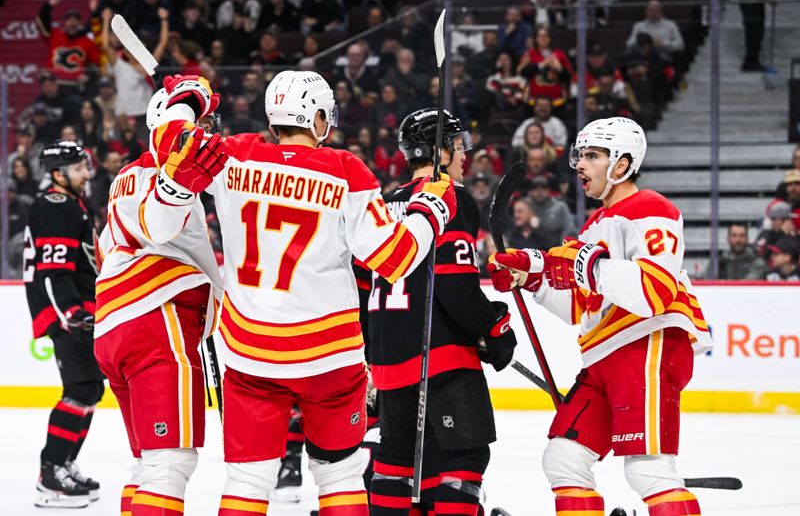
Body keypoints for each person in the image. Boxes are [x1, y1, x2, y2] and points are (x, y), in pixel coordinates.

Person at [146, 71, 457, 515]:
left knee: (248, 480)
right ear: (315, 118)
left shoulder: (234, 156)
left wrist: (185, 99)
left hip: (251, 353)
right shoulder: (345, 169)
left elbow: (171, 145)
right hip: (329, 357)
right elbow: (396, 258)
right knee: (341, 475)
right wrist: (432, 209)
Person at [488, 117, 711, 516]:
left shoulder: (651, 209)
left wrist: (585, 267)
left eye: (592, 156)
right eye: (580, 155)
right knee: (564, 459)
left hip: (647, 344)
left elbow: (655, 292)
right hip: (603, 359)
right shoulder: (594, 226)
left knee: (649, 471)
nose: (580, 165)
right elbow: (579, 305)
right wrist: (530, 279)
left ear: (622, 165)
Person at [368, 108, 517, 516]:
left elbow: (365, 284)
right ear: (438, 151)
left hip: (388, 359)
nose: (464, 155)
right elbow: (455, 285)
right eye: (457, 145)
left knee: (399, 461)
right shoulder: (450, 198)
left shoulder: (384, 204)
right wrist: (495, 328)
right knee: (464, 458)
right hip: (441, 358)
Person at [92, 79, 227, 516]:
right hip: (157, 316)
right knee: (170, 461)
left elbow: (106, 249)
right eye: (195, 123)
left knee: (149, 463)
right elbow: (160, 224)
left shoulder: (124, 177)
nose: (203, 133)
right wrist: (186, 104)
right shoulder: (166, 173)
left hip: (115, 324)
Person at [23, 141, 104, 508]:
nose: (85, 173)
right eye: (77, 168)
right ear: (57, 175)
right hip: (69, 315)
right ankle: (50, 473)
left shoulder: (72, 205)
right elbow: (54, 272)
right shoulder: (57, 206)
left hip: (77, 312)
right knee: (80, 389)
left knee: (88, 390)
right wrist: (73, 314)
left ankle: (64, 463)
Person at [738, 0, 771, 71]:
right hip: (751, 0)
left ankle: (754, 60)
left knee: (758, 30)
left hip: (757, 0)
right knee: (754, 30)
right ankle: (750, 61)